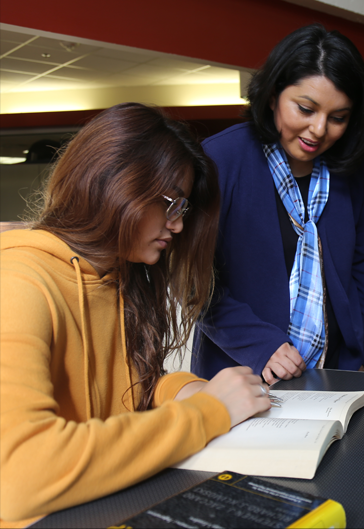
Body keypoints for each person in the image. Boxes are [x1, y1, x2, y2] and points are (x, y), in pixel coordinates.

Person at [0, 103, 272, 526]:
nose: (178, 226)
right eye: (172, 205)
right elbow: (18, 478)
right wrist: (208, 413)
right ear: (113, 183)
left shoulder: (116, 276)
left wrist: (183, 391)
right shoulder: (17, 283)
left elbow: (124, 396)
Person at [192, 24, 364, 385]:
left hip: (334, 372)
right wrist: (260, 344)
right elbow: (194, 281)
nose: (318, 129)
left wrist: (362, 346)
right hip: (238, 371)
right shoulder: (221, 159)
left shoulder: (356, 170)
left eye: (338, 117)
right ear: (272, 95)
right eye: (305, 109)